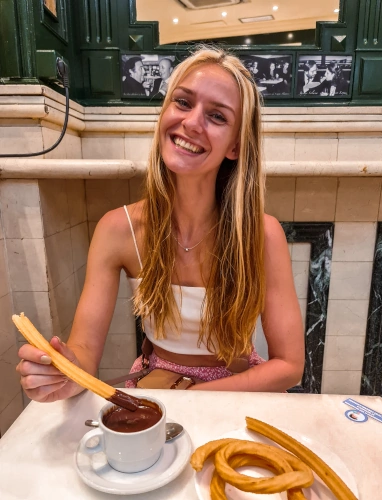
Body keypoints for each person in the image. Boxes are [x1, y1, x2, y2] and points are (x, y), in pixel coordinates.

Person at [16, 46, 304, 403]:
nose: (192, 122)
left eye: (217, 116)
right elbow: (84, 353)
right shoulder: (116, 229)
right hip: (156, 385)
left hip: (234, 390)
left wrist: (192, 397)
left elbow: (289, 365)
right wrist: (64, 374)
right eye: (183, 103)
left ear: (235, 146)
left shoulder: (263, 235)